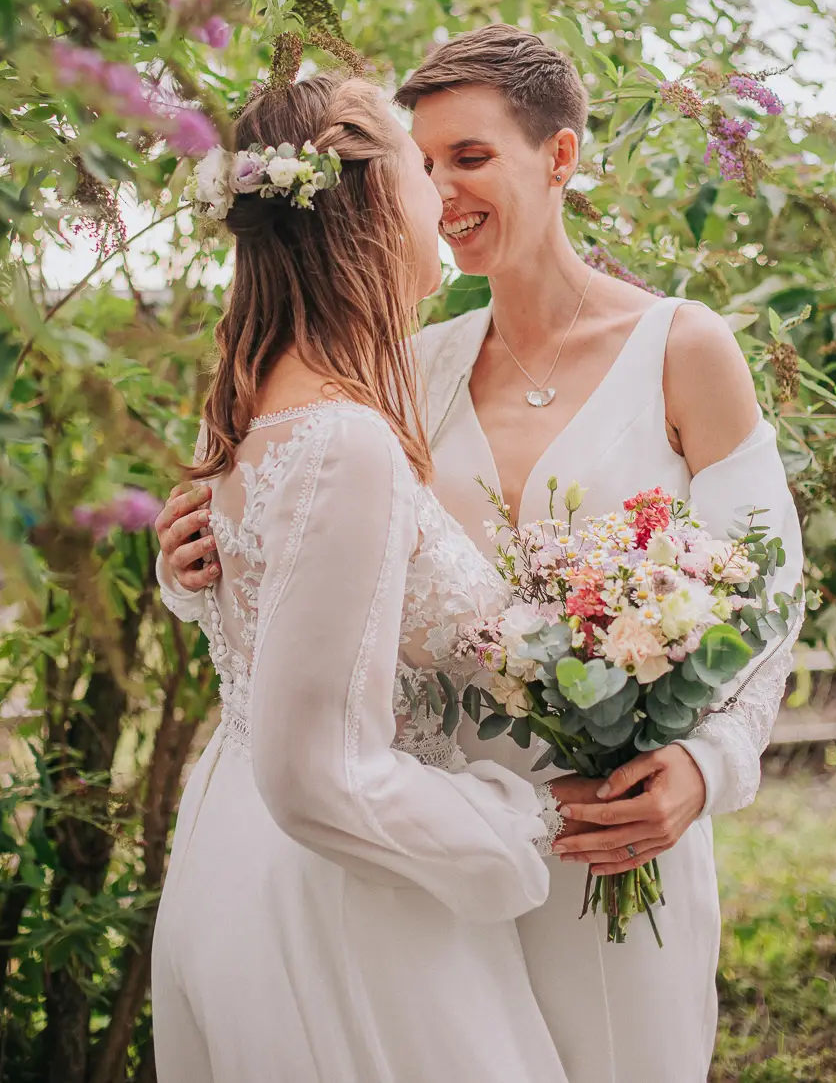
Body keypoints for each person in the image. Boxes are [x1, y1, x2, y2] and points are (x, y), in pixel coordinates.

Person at [158, 30, 805, 1083]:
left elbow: (767, 592)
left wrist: (706, 766)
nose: (442, 189)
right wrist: (190, 562)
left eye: (470, 157)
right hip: (421, 856)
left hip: (610, 834)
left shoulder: (684, 350)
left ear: (558, 158)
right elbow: (299, 549)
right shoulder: (404, 368)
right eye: (424, 162)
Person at [150, 73, 568, 1083]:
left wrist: (181, 580)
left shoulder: (250, 406)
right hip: (354, 895)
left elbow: (260, 600)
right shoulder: (344, 440)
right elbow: (316, 776)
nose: (436, 192)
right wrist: (508, 834)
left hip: (243, 852)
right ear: (370, 206)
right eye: (415, 167)